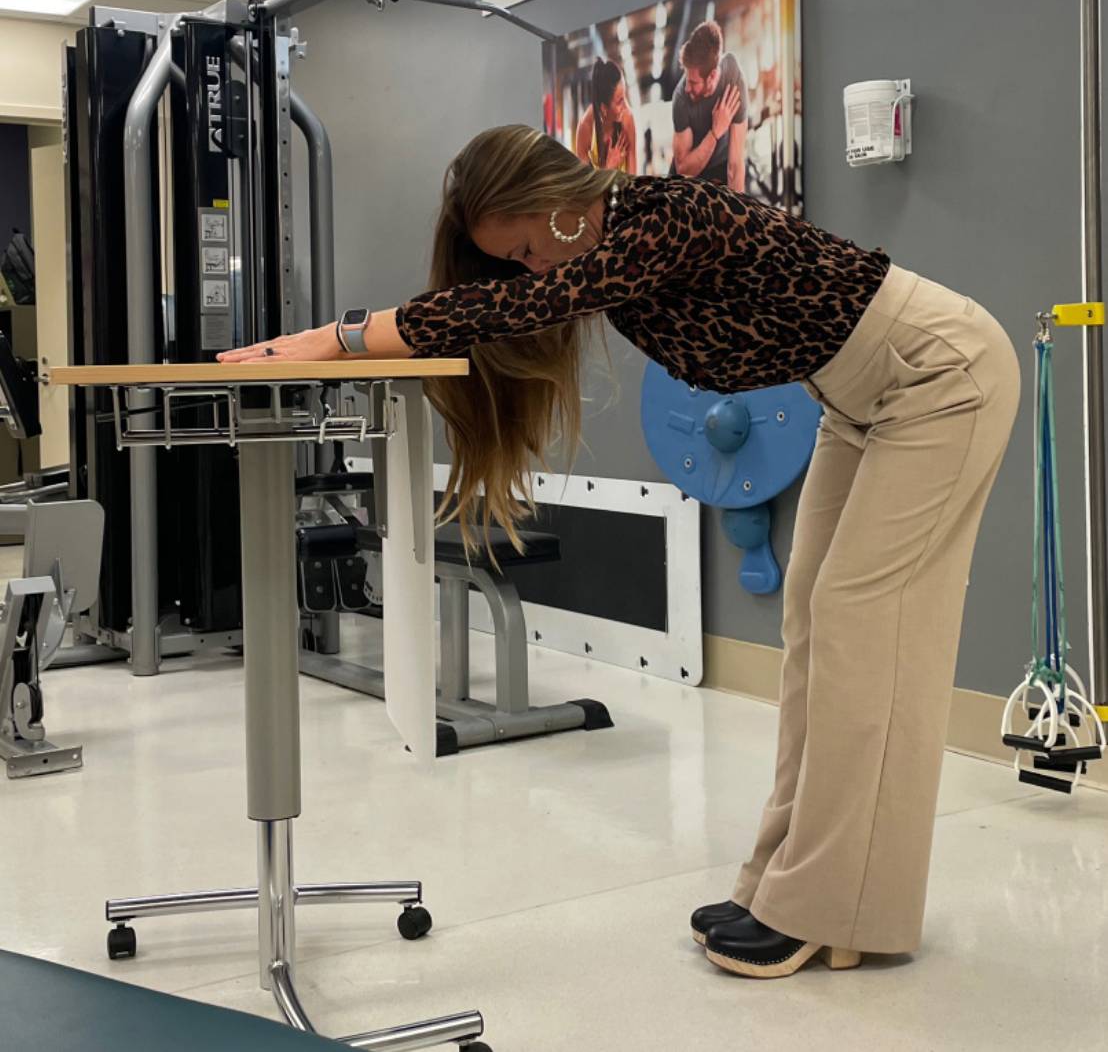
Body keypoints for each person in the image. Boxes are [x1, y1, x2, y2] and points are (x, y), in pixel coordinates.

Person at [220, 125, 1020, 979]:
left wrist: (337, 336)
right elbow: (513, 307)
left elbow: (512, 310)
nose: (528, 271)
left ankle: (836, 906)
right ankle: (784, 884)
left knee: (865, 624)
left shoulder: (657, 216)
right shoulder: (615, 256)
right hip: (858, 400)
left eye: (525, 247)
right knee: (815, 629)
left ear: (557, 208)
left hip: (940, 378)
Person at [670, 20, 748, 190]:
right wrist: (715, 133)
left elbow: (735, 165)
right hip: (687, 180)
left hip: (719, 168)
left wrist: (740, 215)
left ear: (712, 76)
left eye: (693, 82)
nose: (687, 87)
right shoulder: (680, 98)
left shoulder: (732, 75)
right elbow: (683, 170)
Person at [575, 57, 637, 173]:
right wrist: (609, 168)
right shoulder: (585, 127)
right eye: (619, 101)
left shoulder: (627, 118)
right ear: (603, 108)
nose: (625, 106)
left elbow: (633, 181)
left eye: (625, 97)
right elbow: (584, 187)